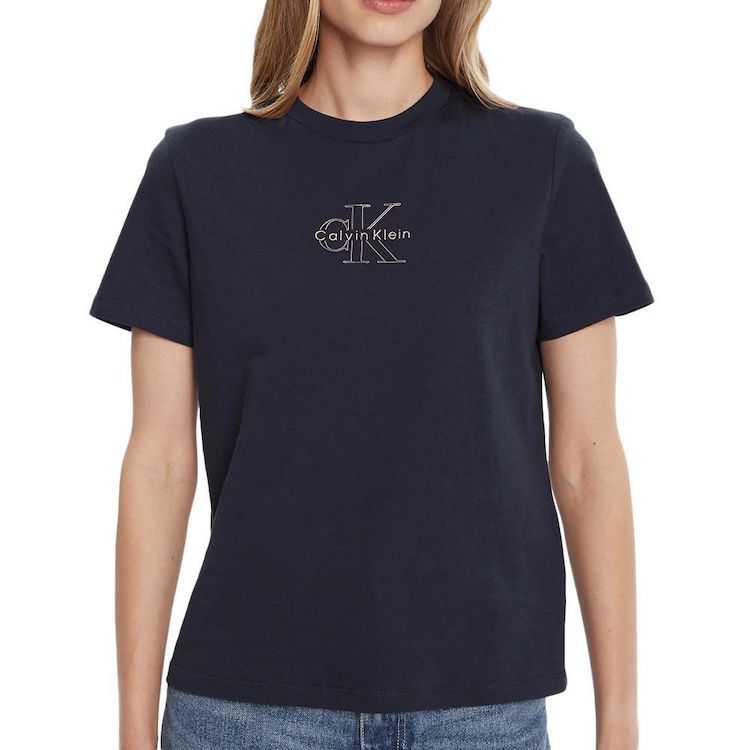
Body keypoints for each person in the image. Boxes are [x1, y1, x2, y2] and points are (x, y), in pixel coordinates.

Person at [89, 1, 654, 748]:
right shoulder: (195, 171)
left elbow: (587, 459)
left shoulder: (541, 162)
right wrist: (132, 727)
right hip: (245, 711)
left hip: (480, 711)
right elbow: (159, 463)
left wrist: (620, 720)